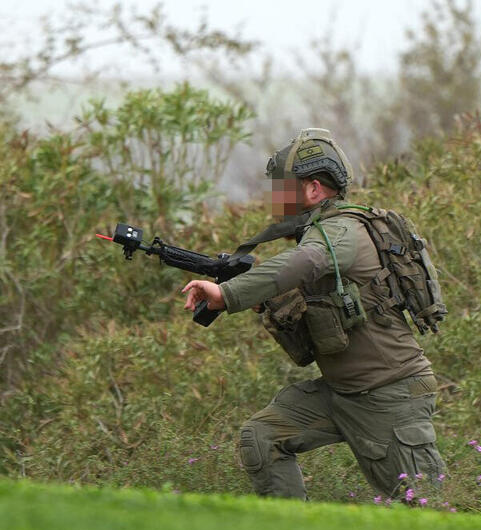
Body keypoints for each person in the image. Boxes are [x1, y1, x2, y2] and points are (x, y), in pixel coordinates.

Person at [181, 128, 445, 500]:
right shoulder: (320, 233)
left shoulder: (340, 232)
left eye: (283, 187)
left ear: (314, 189)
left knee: (430, 515)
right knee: (262, 437)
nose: (275, 198)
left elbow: (304, 263)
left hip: (390, 395)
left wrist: (227, 293)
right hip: (343, 393)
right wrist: (265, 300)